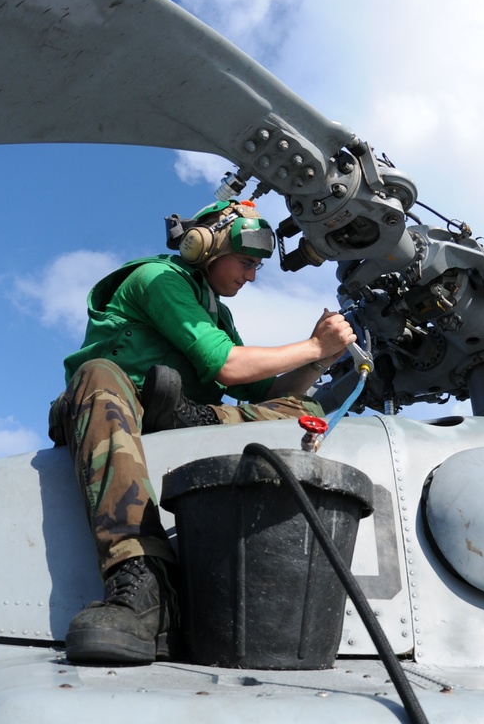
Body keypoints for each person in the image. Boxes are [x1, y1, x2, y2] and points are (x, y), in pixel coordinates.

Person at [50, 199, 356, 665]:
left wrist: (321, 359)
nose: (251, 276)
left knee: (301, 408)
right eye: (247, 262)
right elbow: (230, 368)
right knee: (99, 371)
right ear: (204, 246)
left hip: (175, 415)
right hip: (108, 408)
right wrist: (313, 343)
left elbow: (266, 390)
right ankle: (139, 576)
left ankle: (192, 418)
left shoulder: (217, 313)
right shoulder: (159, 279)